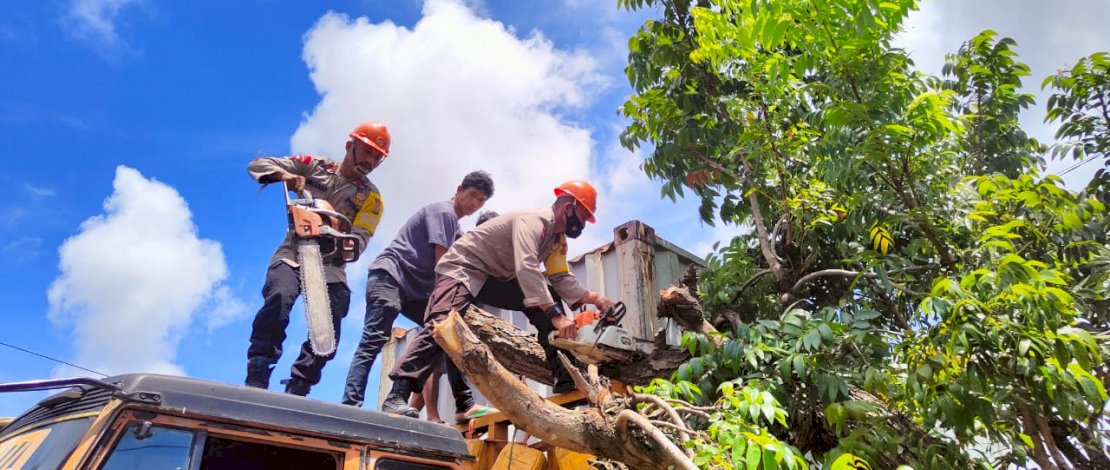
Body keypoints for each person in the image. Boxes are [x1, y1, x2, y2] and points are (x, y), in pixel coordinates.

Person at [381, 180, 615, 417]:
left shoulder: (557, 241)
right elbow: (526, 267)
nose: (583, 224)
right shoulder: (533, 221)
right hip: (464, 266)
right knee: (442, 323)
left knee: (549, 295)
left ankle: (562, 374)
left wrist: (595, 298)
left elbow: (561, 278)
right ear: (568, 205)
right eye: (583, 216)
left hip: (495, 277)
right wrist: (556, 317)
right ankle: (398, 393)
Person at [244, 121, 390, 396]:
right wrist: (283, 175)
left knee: (331, 322)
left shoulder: (372, 199)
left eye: (377, 157)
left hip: (331, 264)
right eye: (367, 152)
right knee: (278, 297)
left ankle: (300, 383)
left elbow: (360, 240)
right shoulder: (314, 165)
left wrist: (337, 234)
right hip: (293, 252)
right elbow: (258, 166)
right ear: (351, 145)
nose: (371, 161)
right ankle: (259, 368)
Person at [341, 171, 497, 423]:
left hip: (414, 291)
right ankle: (351, 405)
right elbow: (444, 266)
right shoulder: (443, 212)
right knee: (374, 339)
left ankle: (464, 404)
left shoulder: (456, 228)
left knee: (447, 332)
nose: (474, 204)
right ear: (459, 190)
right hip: (390, 277)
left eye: (481, 201)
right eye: (472, 196)